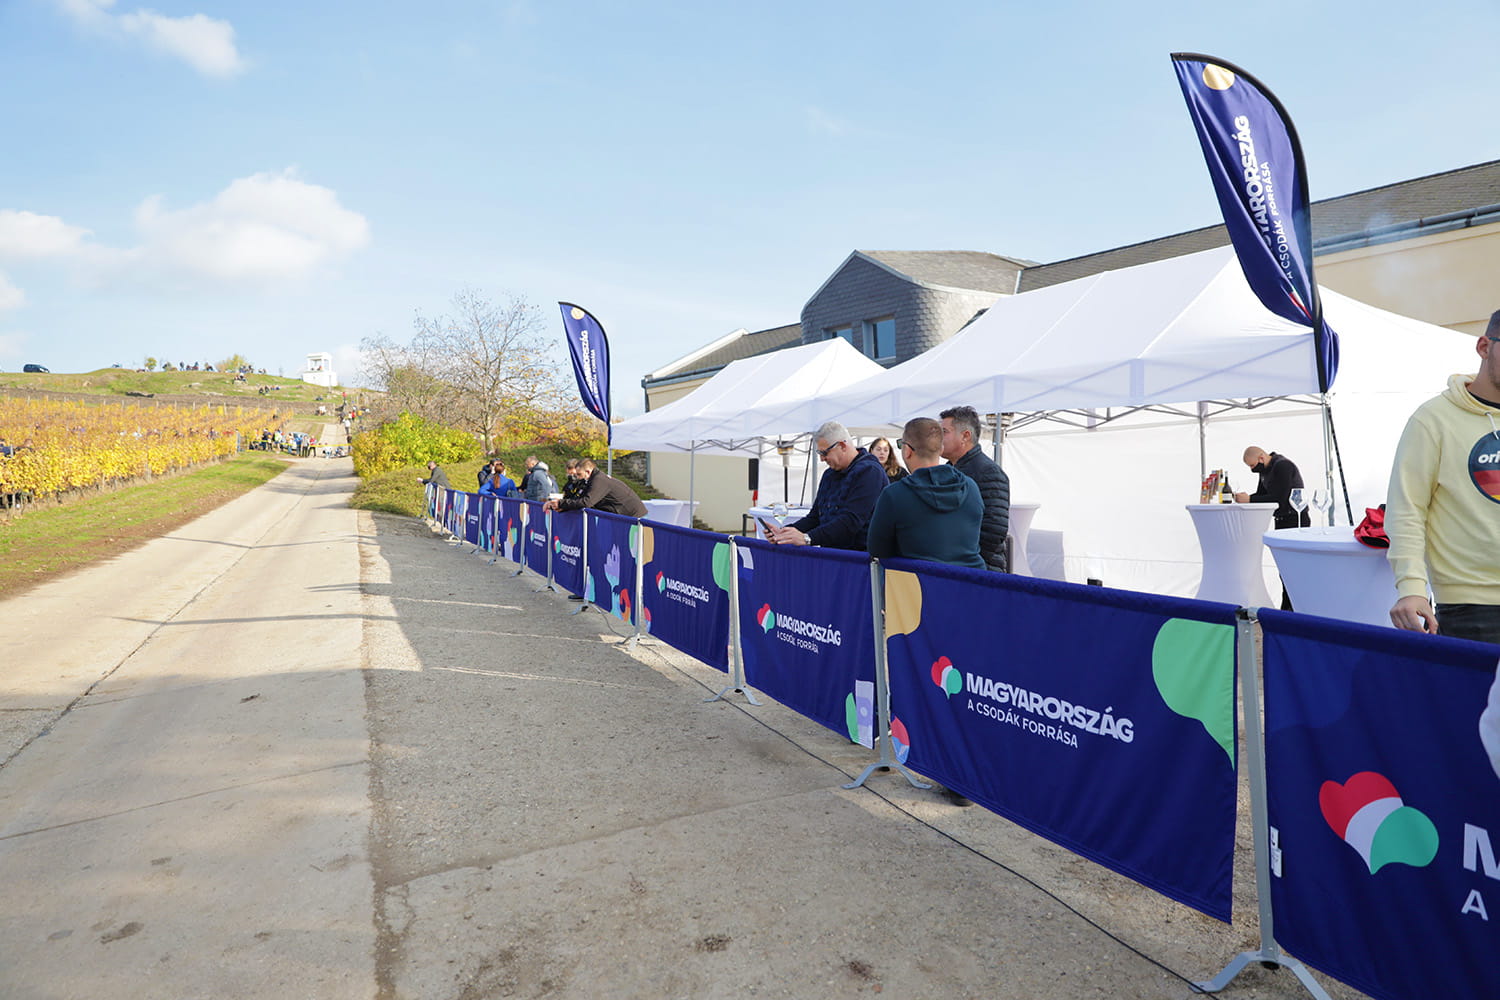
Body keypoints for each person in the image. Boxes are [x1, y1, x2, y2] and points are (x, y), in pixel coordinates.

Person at [1386, 309, 1500, 643]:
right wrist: (1411, 587)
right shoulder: (1433, 419)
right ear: (1484, 347)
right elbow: (1407, 508)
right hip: (1472, 606)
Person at [866, 418, 985, 568]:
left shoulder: (894, 495)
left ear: (907, 450)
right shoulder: (971, 487)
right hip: (970, 579)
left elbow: (877, 549)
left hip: (918, 581)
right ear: (941, 449)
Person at [766, 421, 887, 550]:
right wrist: (785, 533)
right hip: (832, 554)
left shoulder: (869, 472)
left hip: (859, 556)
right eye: (820, 454)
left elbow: (851, 521)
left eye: (824, 453)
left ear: (842, 446)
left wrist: (807, 538)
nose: (822, 459)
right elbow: (815, 518)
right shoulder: (829, 474)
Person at [939, 405, 1010, 571]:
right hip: (955, 567)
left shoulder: (989, 472)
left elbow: (993, 531)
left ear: (965, 436)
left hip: (979, 570)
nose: (939, 438)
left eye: (944, 432)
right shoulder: (947, 471)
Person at [1231, 447, 1310, 530]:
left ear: (1261, 458)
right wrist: (1244, 498)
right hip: (1280, 519)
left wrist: (1249, 499)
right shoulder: (1264, 470)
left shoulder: (1283, 466)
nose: (1252, 469)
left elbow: (1279, 498)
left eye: (1252, 465)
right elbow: (1261, 494)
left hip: (1295, 518)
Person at [543, 459, 647, 517]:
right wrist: (560, 504)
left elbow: (587, 502)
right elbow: (579, 498)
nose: (577, 477)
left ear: (588, 472)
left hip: (634, 516)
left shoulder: (599, 480)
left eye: (579, 474)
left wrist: (561, 504)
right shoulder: (591, 479)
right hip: (624, 515)